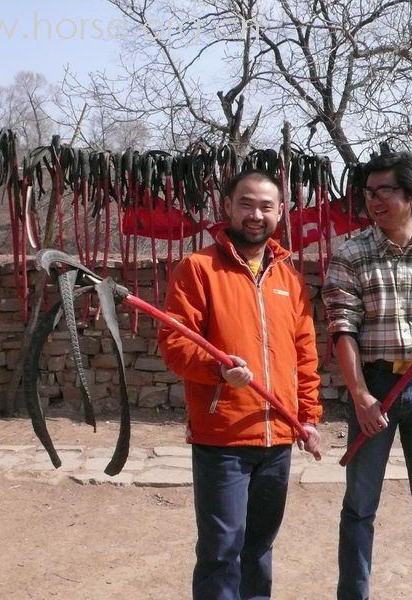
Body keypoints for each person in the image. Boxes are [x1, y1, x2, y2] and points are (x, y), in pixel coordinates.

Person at [158, 169, 323, 600]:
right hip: (223, 439)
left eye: (266, 206)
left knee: (259, 549)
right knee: (221, 551)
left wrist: (308, 418)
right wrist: (217, 370)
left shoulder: (289, 279)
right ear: (227, 206)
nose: (256, 214)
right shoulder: (198, 269)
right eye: (246, 204)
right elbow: (175, 343)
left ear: (281, 212)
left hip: (279, 439)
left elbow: (305, 355)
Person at [322, 152, 412, 600]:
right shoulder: (350, 254)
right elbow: (341, 329)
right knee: (360, 505)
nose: (375, 200)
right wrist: (361, 395)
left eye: (385, 190)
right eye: (369, 192)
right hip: (374, 388)